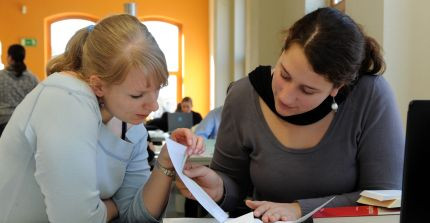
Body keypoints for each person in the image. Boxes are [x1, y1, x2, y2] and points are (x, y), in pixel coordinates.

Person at [177, 7, 404, 223]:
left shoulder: (370, 95)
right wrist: (218, 188)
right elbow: (233, 185)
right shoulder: (243, 95)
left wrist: (298, 209)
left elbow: (385, 199)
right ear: (282, 50)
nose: (285, 97)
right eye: (284, 75)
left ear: (338, 87)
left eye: (307, 90)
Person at [0, 14, 204, 223]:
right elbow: (77, 220)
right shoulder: (65, 99)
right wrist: (114, 206)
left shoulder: (129, 124)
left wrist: (166, 162)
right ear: (98, 86)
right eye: (137, 95)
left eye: (157, 89)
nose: (153, 105)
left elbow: (136, 216)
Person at [0, 44, 38, 136]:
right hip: (25, 123)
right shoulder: (32, 78)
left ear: (9, 57)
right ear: (23, 58)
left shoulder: (1, 77)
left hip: (3, 121)